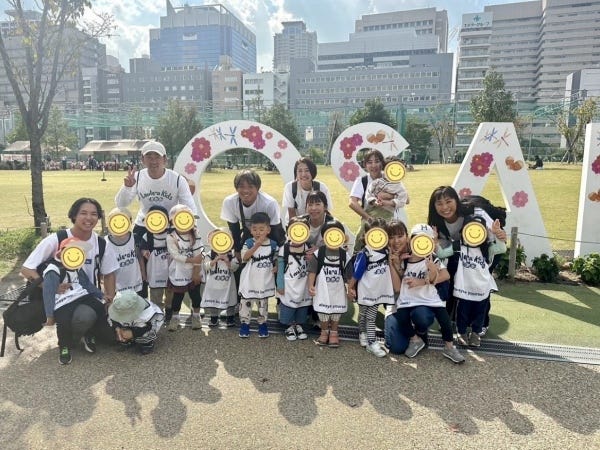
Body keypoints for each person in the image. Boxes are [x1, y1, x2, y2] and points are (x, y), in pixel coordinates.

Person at [21, 198, 119, 352]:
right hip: (62, 300)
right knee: (84, 317)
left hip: (87, 296)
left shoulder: (101, 243)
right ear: (74, 215)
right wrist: (48, 286)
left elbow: (109, 274)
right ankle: (71, 339)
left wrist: (109, 300)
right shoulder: (57, 239)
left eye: (94, 214)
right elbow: (26, 269)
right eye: (83, 213)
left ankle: (88, 331)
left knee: (109, 336)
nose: (89, 218)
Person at [115, 140, 197, 295]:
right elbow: (121, 204)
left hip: (169, 227)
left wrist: (189, 229)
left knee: (169, 264)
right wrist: (127, 187)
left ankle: (170, 303)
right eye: (149, 157)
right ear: (142, 159)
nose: (153, 161)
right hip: (144, 225)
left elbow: (190, 208)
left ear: (165, 159)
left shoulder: (177, 179)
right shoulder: (137, 177)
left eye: (157, 157)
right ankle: (143, 299)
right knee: (140, 264)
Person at [385, 224, 465, 364]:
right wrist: (395, 264)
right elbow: (400, 281)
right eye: (392, 237)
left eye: (400, 236)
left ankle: (449, 346)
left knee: (444, 320)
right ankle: (415, 339)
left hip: (429, 299)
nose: (396, 241)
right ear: (411, 239)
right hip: (407, 299)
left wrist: (428, 274)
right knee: (401, 322)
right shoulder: (404, 258)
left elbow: (441, 276)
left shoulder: (432, 258)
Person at [427, 185, 499, 334]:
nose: (445, 207)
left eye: (448, 201)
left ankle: (482, 323)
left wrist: (499, 234)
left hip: (484, 254)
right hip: (459, 252)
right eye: (439, 203)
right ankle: (451, 319)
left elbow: (496, 236)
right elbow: (440, 249)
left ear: (456, 200)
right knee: (453, 282)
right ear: (434, 206)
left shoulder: (474, 212)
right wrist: (435, 245)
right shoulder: (435, 223)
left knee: (480, 286)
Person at [42, 237, 108, 365]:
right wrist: (49, 315)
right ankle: (64, 347)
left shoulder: (76, 265)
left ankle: (89, 334)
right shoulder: (53, 269)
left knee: (99, 308)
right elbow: (48, 293)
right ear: (62, 252)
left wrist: (101, 295)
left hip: (80, 295)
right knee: (63, 322)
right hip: (63, 301)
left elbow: (86, 283)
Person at [347, 218, 398, 357]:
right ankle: (365, 335)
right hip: (366, 290)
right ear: (367, 235)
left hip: (378, 291)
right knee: (364, 313)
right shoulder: (365, 253)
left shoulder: (387, 251)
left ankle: (370, 341)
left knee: (370, 316)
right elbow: (357, 273)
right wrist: (350, 288)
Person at [454, 216, 507, 347]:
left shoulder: (488, 248)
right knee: (462, 311)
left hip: (482, 287)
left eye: (478, 230)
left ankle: (475, 334)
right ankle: (461, 333)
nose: (474, 234)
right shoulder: (459, 246)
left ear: (484, 232)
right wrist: (434, 242)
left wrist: (497, 232)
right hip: (464, 286)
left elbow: (502, 248)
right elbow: (442, 253)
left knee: (480, 312)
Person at [349, 150, 409, 252]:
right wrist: (369, 218)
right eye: (370, 162)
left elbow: (406, 199)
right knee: (362, 243)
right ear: (365, 165)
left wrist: (387, 196)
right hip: (369, 220)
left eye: (377, 161)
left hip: (389, 220)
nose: (374, 165)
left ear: (382, 163)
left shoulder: (391, 177)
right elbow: (352, 202)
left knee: (390, 248)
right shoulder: (362, 181)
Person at [220, 169, 285, 261]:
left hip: (270, 234)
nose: (246, 190)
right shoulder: (229, 202)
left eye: (250, 186)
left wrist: (279, 255)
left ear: (257, 188)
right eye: (241, 186)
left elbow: (276, 231)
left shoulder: (269, 203)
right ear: (236, 188)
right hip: (249, 233)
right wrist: (237, 250)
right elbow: (234, 229)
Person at [307, 219, 351, 348]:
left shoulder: (344, 255)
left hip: (338, 290)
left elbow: (349, 273)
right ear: (324, 236)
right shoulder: (319, 253)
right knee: (323, 312)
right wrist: (311, 285)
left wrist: (350, 288)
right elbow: (312, 271)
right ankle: (324, 332)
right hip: (322, 289)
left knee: (336, 312)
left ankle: (334, 333)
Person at [238, 212, 278, 338]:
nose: (258, 232)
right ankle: (245, 323)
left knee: (263, 303)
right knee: (246, 303)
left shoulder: (273, 244)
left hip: (264, 280)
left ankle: (262, 323)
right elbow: (245, 257)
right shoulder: (249, 243)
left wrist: (276, 266)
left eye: (261, 229)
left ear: (268, 230)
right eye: (255, 229)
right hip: (249, 280)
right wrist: (257, 245)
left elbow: (277, 258)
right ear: (250, 230)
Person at [165, 204, 205, 331]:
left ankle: (196, 316)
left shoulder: (195, 233)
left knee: (195, 296)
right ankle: (175, 317)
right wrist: (191, 260)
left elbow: (199, 253)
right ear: (173, 221)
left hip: (194, 270)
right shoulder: (171, 237)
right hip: (179, 271)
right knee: (177, 297)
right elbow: (175, 255)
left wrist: (196, 272)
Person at [276, 217, 311, 341]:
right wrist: (280, 285)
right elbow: (280, 269)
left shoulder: (308, 248)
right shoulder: (284, 249)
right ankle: (289, 326)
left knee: (302, 306)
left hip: (304, 284)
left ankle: (299, 325)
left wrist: (312, 259)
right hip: (289, 285)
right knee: (287, 305)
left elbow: (313, 268)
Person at [200, 229, 239, 328]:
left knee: (230, 300)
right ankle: (214, 319)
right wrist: (215, 260)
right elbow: (205, 267)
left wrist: (227, 261)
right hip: (213, 284)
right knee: (213, 300)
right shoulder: (209, 254)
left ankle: (230, 318)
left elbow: (235, 267)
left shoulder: (231, 254)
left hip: (228, 283)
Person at [107, 290, 164, 355]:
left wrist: (134, 333)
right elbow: (112, 318)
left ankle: (146, 343)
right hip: (130, 323)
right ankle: (128, 339)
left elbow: (151, 328)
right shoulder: (119, 305)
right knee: (117, 329)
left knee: (145, 335)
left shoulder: (150, 314)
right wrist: (117, 328)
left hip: (144, 326)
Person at [281, 157, 333, 226]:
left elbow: (326, 211)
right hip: (296, 225)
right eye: (300, 171)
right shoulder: (290, 187)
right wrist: (299, 228)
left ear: (313, 171)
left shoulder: (321, 187)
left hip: (318, 225)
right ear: (296, 173)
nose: (303, 174)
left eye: (307, 170)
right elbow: (291, 212)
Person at [139, 205, 172, 314]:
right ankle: (158, 315)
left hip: (170, 273)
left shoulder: (171, 234)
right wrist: (144, 252)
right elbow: (142, 250)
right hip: (155, 274)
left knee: (171, 297)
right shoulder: (147, 236)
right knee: (156, 298)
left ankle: (169, 312)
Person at [105, 207, 143, 296]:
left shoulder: (135, 238)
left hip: (135, 283)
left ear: (130, 222)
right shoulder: (106, 242)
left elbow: (139, 257)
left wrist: (143, 274)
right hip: (117, 286)